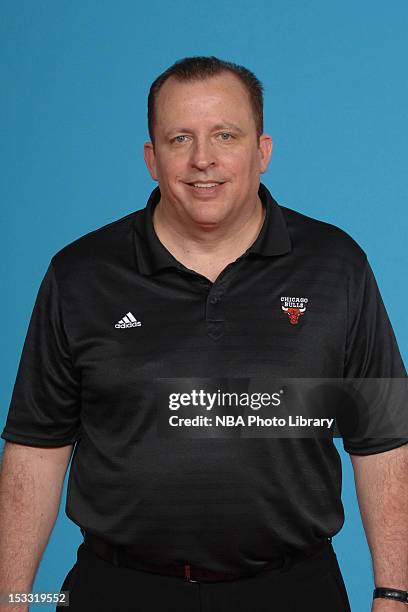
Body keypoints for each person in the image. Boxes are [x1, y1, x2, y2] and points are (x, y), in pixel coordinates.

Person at [0, 56, 407, 612]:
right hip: (118, 589)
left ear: (262, 151)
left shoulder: (337, 266)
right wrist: (11, 599)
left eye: (225, 135)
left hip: (294, 590)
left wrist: (395, 594)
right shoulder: (81, 274)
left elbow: (384, 441)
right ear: (151, 158)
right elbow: (36, 448)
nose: (202, 160)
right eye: (179, 138)